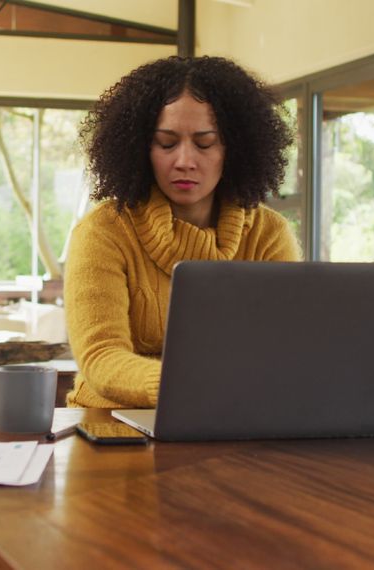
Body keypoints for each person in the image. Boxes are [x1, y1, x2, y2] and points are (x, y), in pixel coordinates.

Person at [64, 55, 302, 409]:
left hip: (230, 420)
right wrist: (182, 386)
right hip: (112, 426)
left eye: (205, 143)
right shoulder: (103, 232)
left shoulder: (268, 234)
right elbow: (101, 356)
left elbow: (283, 350)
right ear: (141, 148)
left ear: (233, 149)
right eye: (166, 143)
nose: (185, 161)